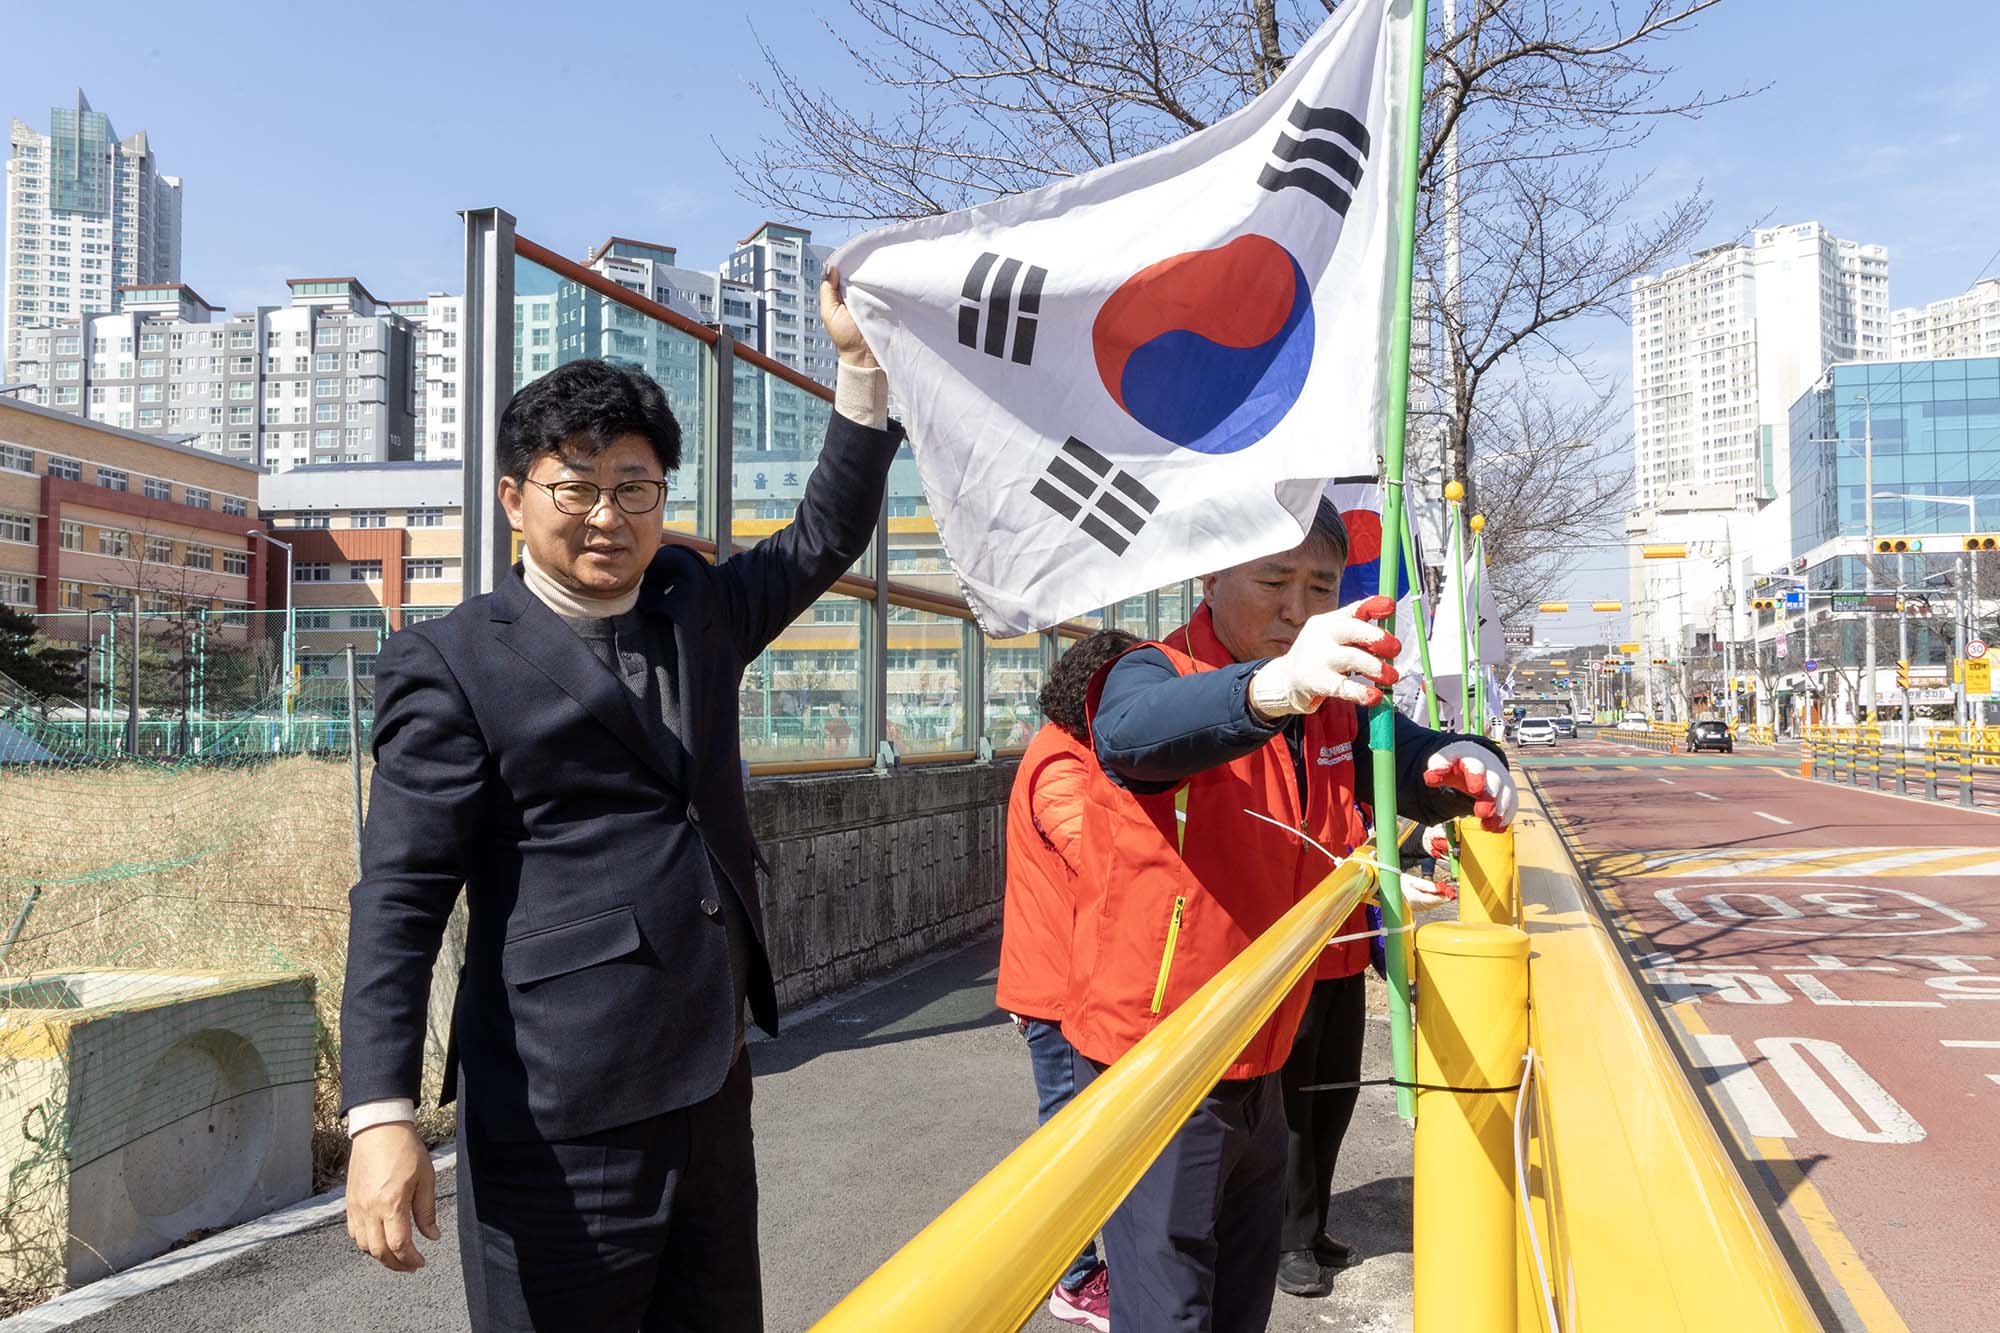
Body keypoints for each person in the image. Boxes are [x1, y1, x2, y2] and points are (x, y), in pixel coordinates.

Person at [337, 269, 897, 1331]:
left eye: (633, 487)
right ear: (515, 497)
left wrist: (858, 370)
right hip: (558, 1110)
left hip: (708, 1083)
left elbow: (822, 537)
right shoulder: (450, 663)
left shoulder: (695, 604)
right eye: (576, 486)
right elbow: (400, 896)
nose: (607, 515)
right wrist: (379, 1114)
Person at [1065, 500, 1515, 1332]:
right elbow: (1133, 737)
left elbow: (1405, 754)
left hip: (1262, 1048)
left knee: (1243, 1302)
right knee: (1169, 1313)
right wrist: (1272, 690)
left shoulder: (1335, 699)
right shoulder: (1149, 668)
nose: (1298, 608)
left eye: (1318, 584)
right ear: (1212, 573)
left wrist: (1463, 760)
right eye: (1274, 579)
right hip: (1160, 1056)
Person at [996, 628, 1141, 1333]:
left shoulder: (1072, 751)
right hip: (1056, 984)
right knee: (1068, 1135)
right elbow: (1100, 854)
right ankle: (1074, 1276)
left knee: (1078, 1129)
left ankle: (1083, 1266)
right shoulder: (1061, 760)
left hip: (1064, 977)